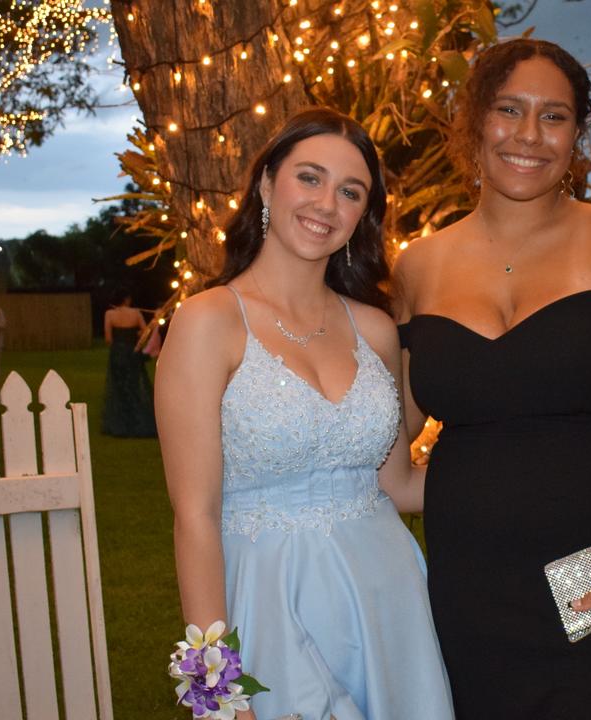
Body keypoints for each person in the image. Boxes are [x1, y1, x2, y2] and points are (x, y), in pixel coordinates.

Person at [393, 39, 591, 718]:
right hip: (471, 591)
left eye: (554, 116)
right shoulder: (417, 266)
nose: (529, 135)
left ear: (579, 132)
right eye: (509, 110)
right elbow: (392, 440)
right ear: (474, 120)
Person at [155, 108, 454, 720]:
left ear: (362, 215)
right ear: (267, 184)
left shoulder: (373, 328)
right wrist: (213, 690)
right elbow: (195, 517)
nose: (326, 204)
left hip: (386, 599)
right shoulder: (207, 322)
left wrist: (516, 464)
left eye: (350, 191)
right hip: (268, 597)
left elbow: (396, 485)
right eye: (309, 178)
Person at [101, 291, 157, 437]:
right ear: (127, 299)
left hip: (118, 353)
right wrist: (134, 335)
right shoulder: (136, 313)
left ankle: (120, 422)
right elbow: (145, 332)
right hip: (132, 352)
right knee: (134, 385)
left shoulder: (109, 314)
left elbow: (108, 338)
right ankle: (137, 420)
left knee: (119, 386)